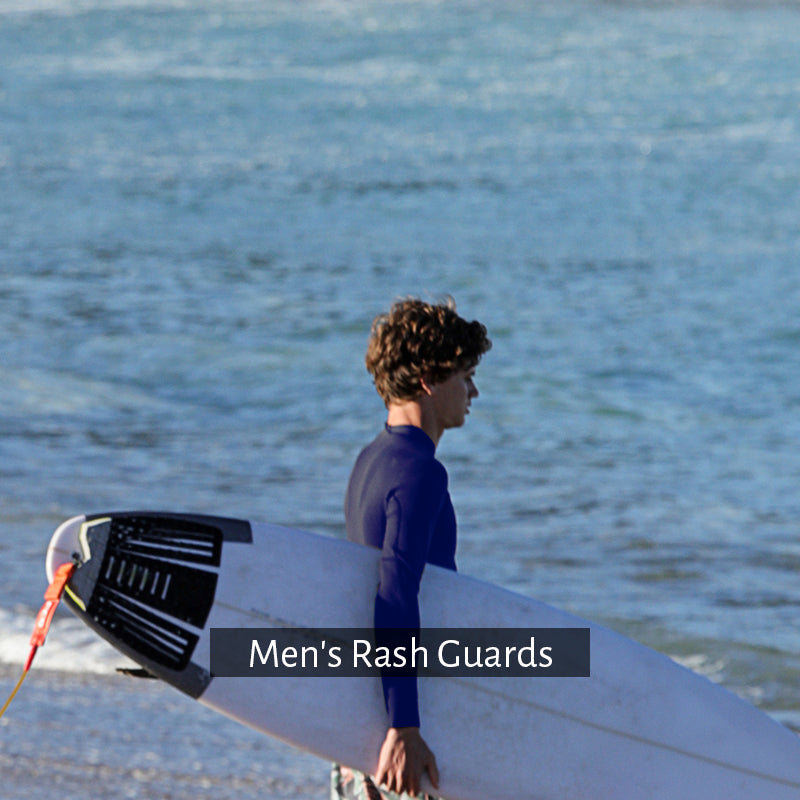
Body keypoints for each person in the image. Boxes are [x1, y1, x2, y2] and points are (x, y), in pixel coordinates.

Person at [331, 297, 491, 800]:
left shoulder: (370, 460)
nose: (473, 391)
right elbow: (394, 597)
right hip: (400, 737)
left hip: (363, 730)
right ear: (428, 379)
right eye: (465, 376)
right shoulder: (420, 472)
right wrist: (404, 728)